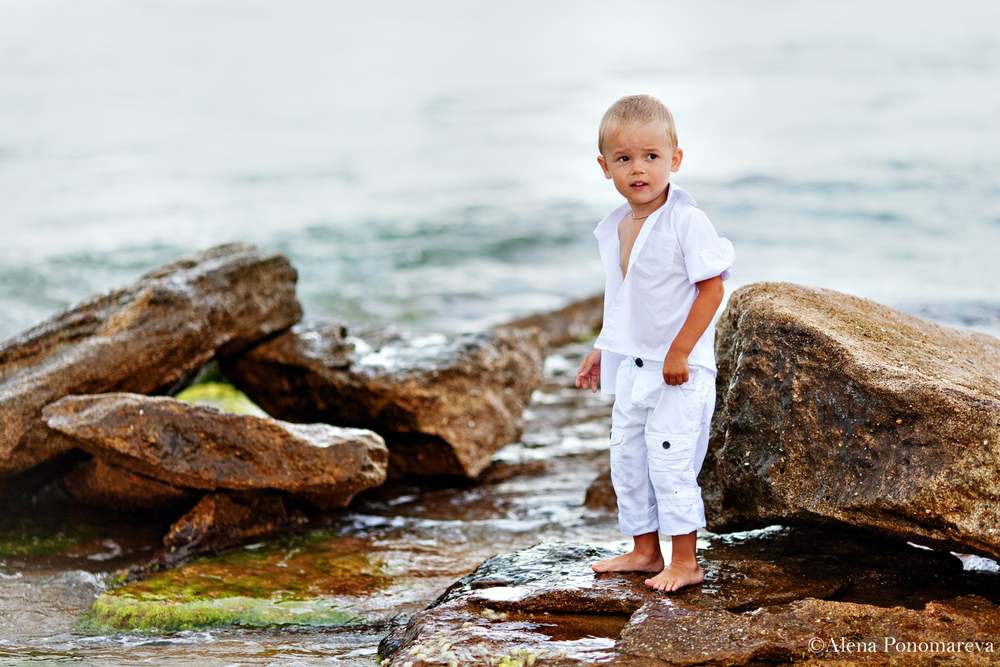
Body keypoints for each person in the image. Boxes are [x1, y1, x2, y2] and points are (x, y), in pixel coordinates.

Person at [576, 94, 734, 592]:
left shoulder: (687, 220)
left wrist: (681, 350)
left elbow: (712, 289)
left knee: (670, 458)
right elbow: (624, 298)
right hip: (636, 367)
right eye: (624, 159)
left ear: (675, 160)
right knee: (628, 455)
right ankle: (645, 550)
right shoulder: (620, 226)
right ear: (605, 167)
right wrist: (604, 347)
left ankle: (684, 560)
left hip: (678, 371)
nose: (638, 169)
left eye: (651, 157)